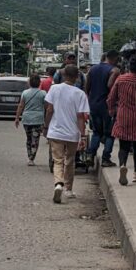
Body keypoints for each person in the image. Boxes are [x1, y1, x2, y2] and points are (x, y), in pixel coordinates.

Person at [44, 64, 90, 203]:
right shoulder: (80, 94)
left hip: (56, 131)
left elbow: (49, 109)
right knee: (70, 161)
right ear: (77, 78)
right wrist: (82, 136)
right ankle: (68, 189)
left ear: (63, 75)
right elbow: (81, 117)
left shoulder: (54, 88)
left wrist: (46, 125)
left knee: (58, 160)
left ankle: (58, 184)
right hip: (72, 134)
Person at [108, 56, 136, 185]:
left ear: (129, 67)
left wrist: (111, 109)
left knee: (124, 146)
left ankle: (122, 165)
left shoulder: (121, 79)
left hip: (123, 116)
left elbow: (111, 97)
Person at [84, 49, 120, 168]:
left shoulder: (92, 69)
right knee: (109, 133)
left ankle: (90, 155)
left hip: (93, 104)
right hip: (107, 106)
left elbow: (87, 87)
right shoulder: (114, 70)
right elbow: (110, 85)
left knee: (96, 132)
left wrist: (89, 101)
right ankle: (105, 158)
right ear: (114, 58)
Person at [14, 73, 47, 166]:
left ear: (29, 83)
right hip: (38, 119)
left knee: (28, 138)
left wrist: (17, 118)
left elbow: (21, 106)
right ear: (39, 83)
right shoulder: (43, 93)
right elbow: (46, 107)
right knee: (35, 139)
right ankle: (32, 158)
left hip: (26, 118)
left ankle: (29, 156)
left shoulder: (25, 93)